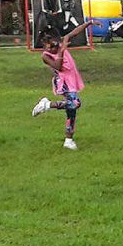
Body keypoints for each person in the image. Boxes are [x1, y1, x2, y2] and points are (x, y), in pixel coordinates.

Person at [32, 20, 102, 150]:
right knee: (75, 103)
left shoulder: (62, 42)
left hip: (71, 79)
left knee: (71, 111)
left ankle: (68, 140)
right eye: (47, 47)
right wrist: (62, 51)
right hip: (63, 82)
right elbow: (58, 66)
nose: (51, 49)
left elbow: (74, 32)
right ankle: (47, 104)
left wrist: (89, 23)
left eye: (54, 46)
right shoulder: (46, 56)